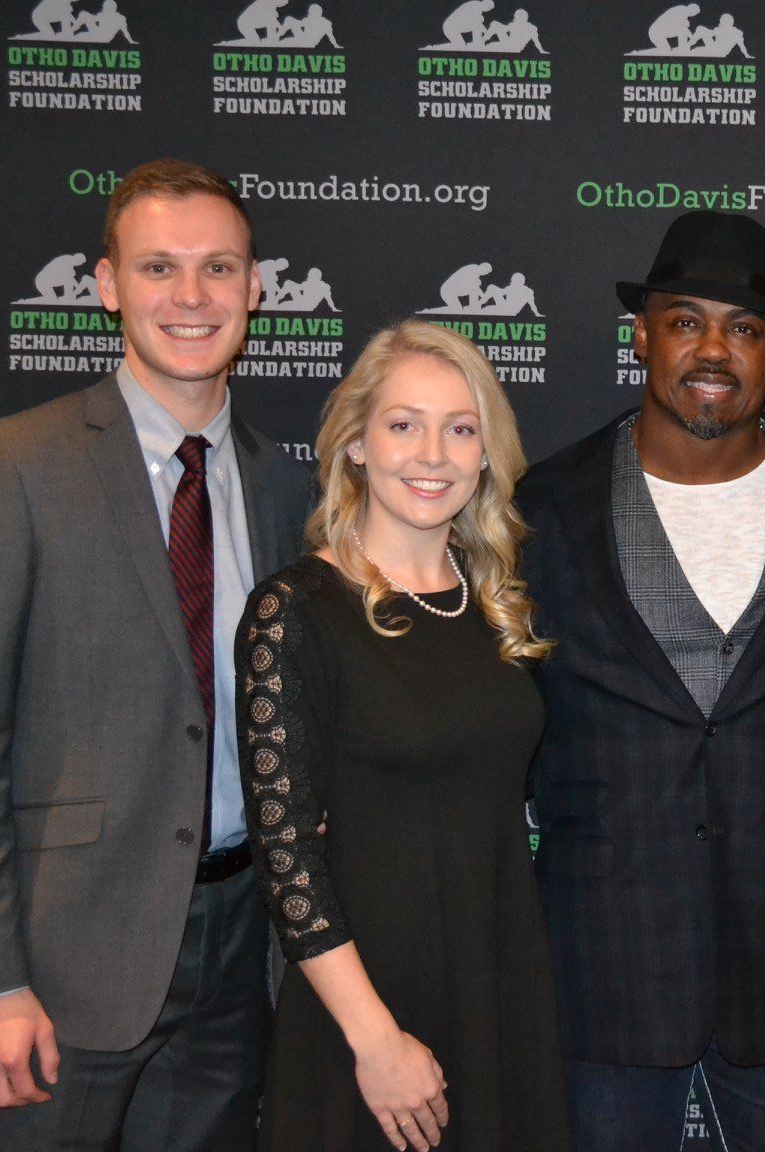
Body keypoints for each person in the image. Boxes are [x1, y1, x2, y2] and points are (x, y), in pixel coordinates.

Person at [0, 158, 308, 1150]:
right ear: (106, 285)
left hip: (238, 955)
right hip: (63, 963)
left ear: (257, 290)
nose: (190, 297)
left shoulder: (275, 487)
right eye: (159, 268)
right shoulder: (15, 464)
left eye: (218, 269)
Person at [518, 210, 765, 1151]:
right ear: (641, 336)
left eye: (744, 328)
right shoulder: (536, 513)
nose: (713, 349)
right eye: (686, 321)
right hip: (598, 974)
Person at [238, 319, 569, 1152]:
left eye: (461, 429)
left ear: (487, 454)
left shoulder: (498, 605)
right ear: (354, 443)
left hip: (498, 984)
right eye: (402, 425)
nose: (432, 454)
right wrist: (374, 1037)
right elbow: (286, 855)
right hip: (369, 1004)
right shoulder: (295, 611)